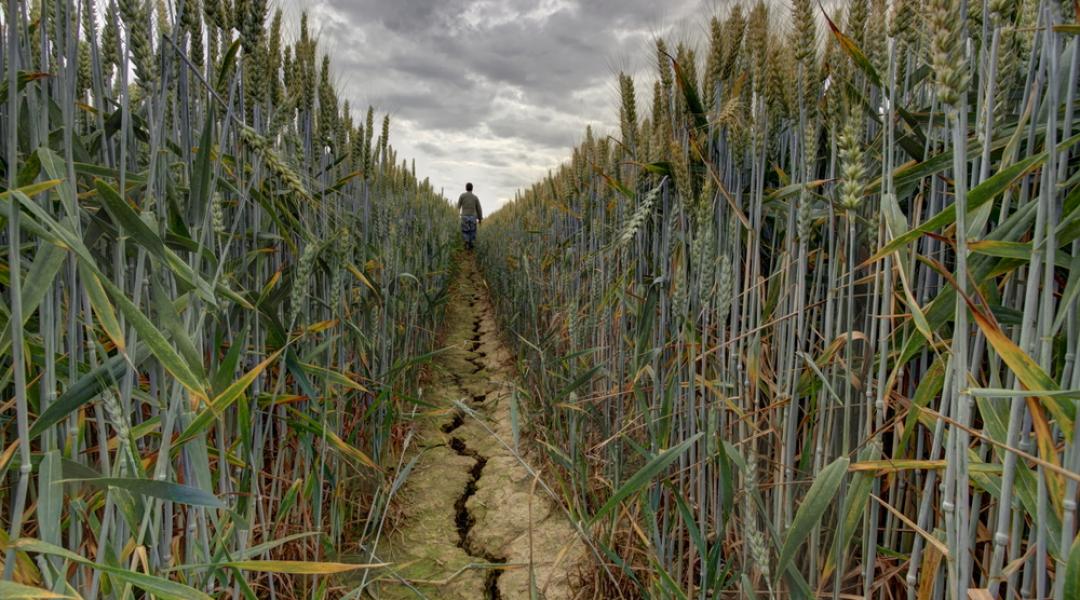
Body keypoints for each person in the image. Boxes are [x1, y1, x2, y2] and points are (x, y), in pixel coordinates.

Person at [457, 182, 483, 250]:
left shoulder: (462, 196)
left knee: (465, 231)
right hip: (473, 217)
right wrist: (480, 219)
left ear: (466, 188)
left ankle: (466, 242)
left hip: (464, 216)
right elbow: (479, 208)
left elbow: (458, 206)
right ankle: (471, 245)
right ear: (472, 189)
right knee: (472, 231)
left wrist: (457, 215)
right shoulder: (475, 197)